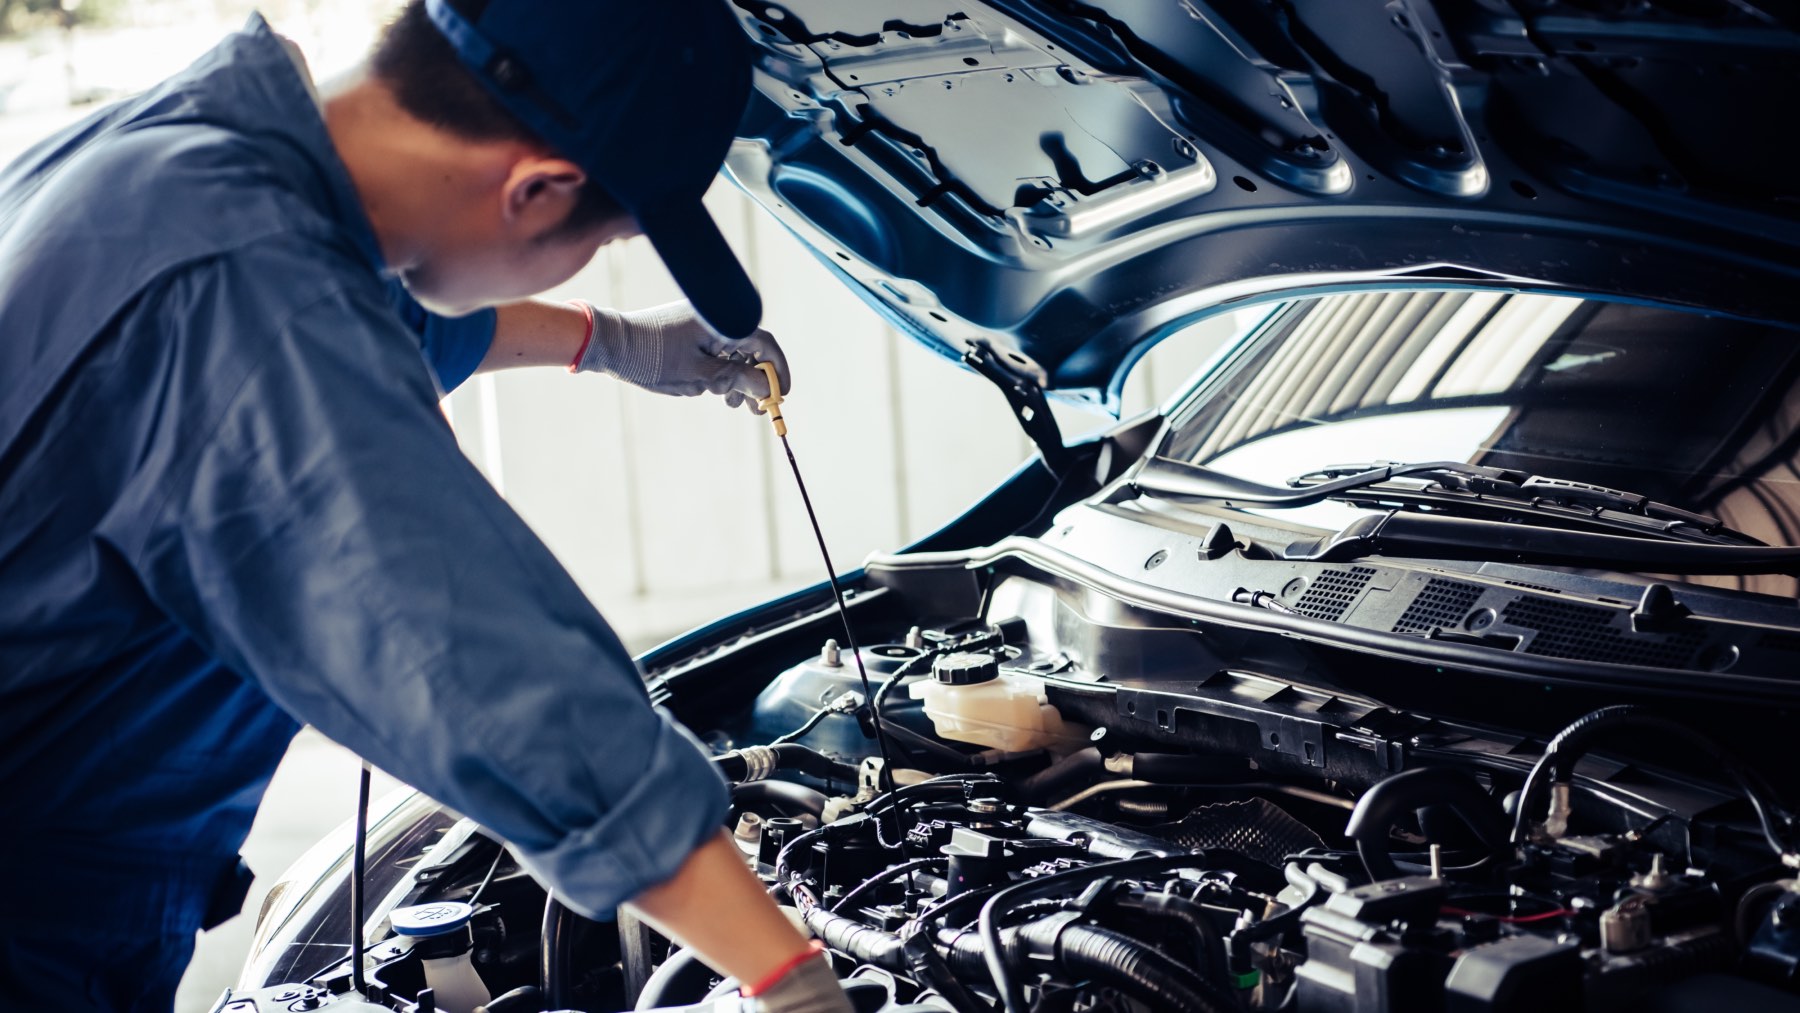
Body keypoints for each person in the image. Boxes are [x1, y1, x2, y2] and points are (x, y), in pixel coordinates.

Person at [0, 1, 850, 1011]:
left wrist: (613, 340)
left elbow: (361, 309)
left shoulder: (196, 146)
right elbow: (481, 669)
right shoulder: (246, 299)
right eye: (609, 240)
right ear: (537, 189)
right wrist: (789, 976)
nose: (592, 265)